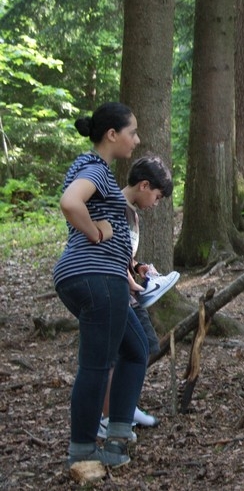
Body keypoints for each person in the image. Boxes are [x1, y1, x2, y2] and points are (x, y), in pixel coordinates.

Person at [53, 102, 147, 469]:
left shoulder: (95, 169)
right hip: (97, 280)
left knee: (136, 349)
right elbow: (69, 203)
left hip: (92, 279)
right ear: (112, 135)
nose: (136, 140)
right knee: (95, 365)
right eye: (132, 132)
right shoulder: (94, 168)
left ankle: (117, 437)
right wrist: (96, 232)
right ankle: (82, 449)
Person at [97, 155, 178, 441]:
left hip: (128, 292)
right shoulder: (116, 208)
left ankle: (124, 406)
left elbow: (124, 254)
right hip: (114, 292)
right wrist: (132, 280)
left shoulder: (131, 212)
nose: (156, 203)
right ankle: (107, 417)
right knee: (119, 353)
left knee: (143, 346)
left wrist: (139, 268)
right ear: (144, 185)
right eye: (156, 196)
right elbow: (106, 252)